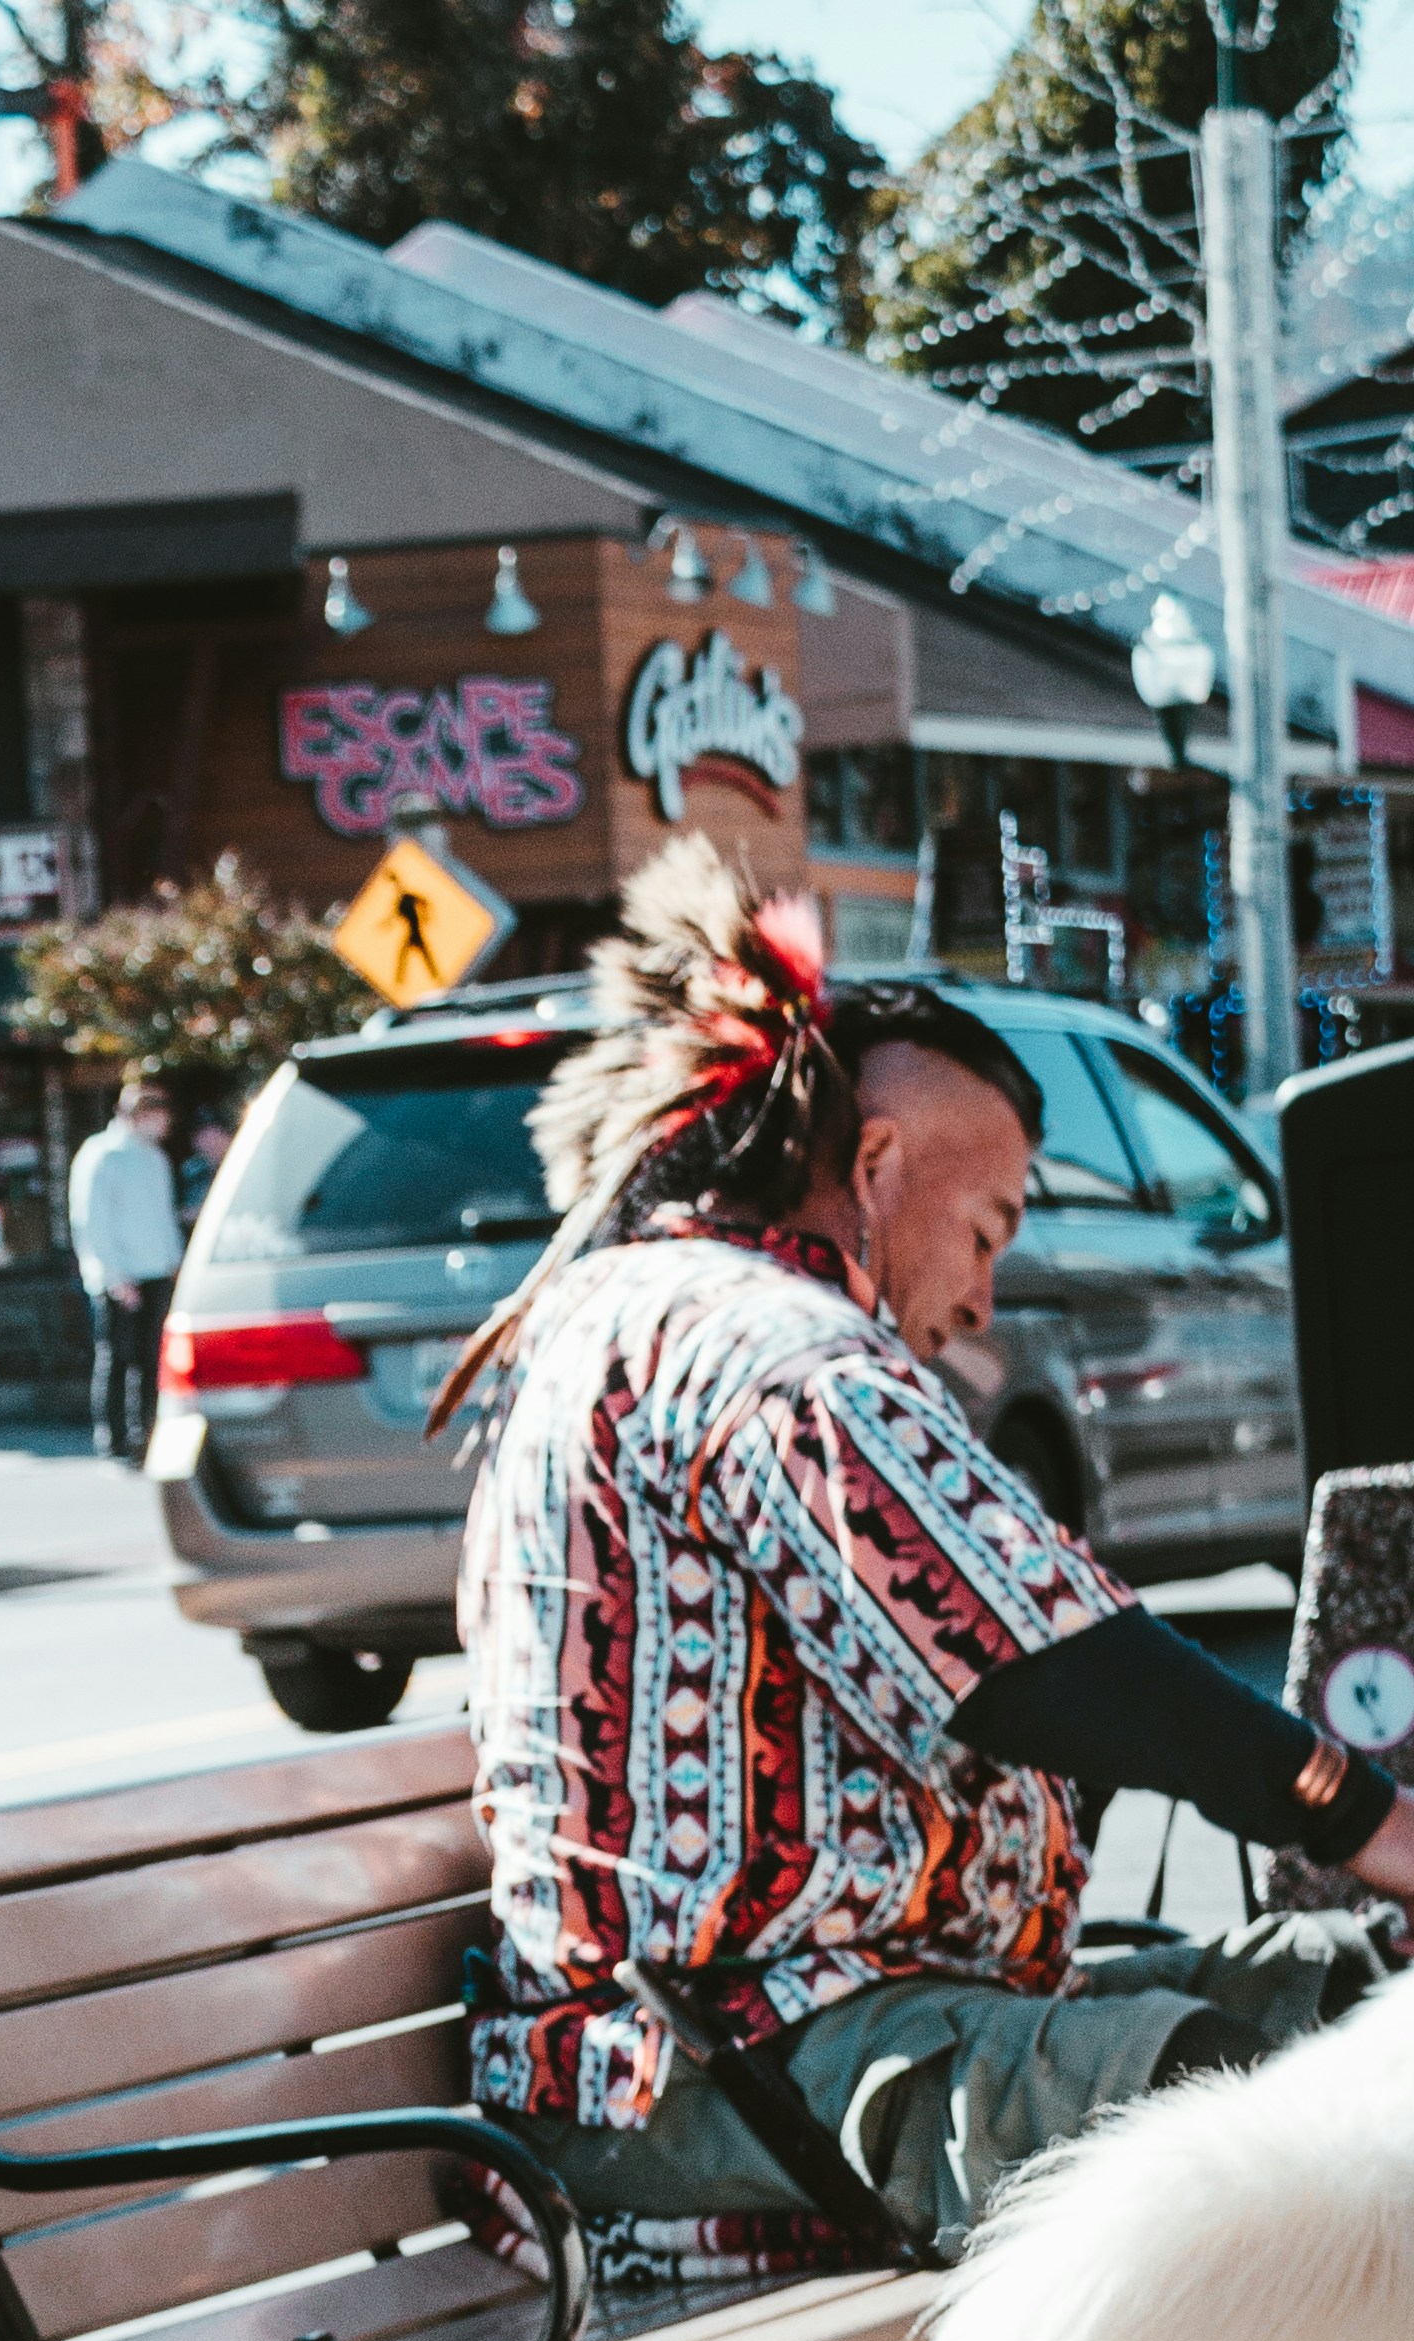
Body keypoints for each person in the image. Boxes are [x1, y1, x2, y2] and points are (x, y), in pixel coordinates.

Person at [455, 837, 1414, 2268]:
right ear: (880, 1161)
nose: (981, 1293)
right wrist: (1366, 1819)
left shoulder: (695, 1316)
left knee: (1352, 2001)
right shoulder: (770, 1347)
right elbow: (1039, 1661)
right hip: (714, 2081)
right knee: (1251, 2131)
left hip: (828, 2034)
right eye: (989, 1227)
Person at [68, 1079, 181, 1461]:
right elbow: (91, 1221)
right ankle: (114, 1439)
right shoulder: (101, 1155)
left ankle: (146, 1434)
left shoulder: (155, 1158)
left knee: (152, 1360)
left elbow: (161, 1218)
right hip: (121, 1277)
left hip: (155, 1271)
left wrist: (174, 1263)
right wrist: (113, 1276)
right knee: (117, 1360)